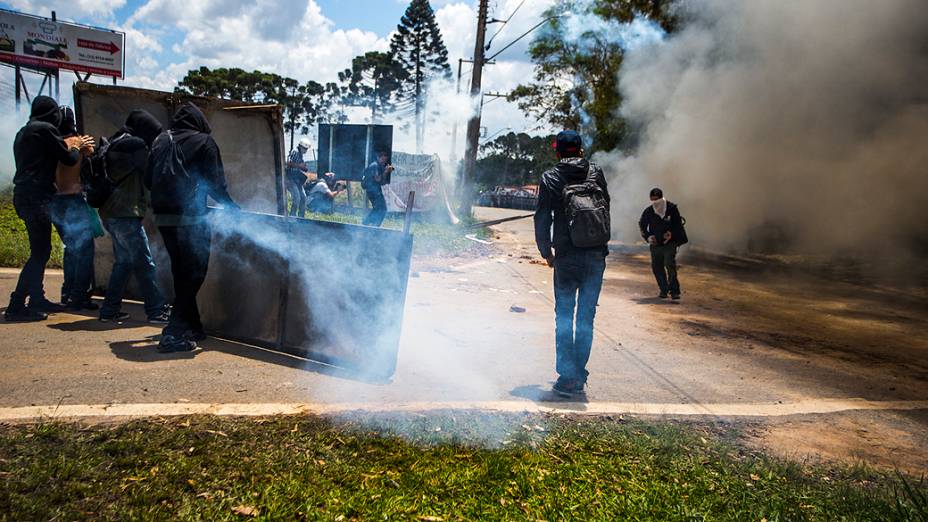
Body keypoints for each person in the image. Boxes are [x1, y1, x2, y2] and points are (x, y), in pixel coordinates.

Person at [146, 103, 239, 352]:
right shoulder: (204, 142)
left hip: (164, 218)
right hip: (192, 219)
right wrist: (232, 209)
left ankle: (193, 325)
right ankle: (174, 332)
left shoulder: (160, 140)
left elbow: (147, 179)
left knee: (182, 274)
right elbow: (215, 183)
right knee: (195, 273)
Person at [534, 130, 610, 398]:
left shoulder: (551, 177)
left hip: (566, 257)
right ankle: (579, 374)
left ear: (558, 151)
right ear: (580, 149)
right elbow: (605, 209)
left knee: (564, 316)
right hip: (595, 256)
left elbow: (542, 218)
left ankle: (567, 378)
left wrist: (546, 252)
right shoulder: (596, 172)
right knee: (586, 318)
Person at [5, 96, 94, 322]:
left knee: (40, 250)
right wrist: (75, 145)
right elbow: (68, 157)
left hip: (23, 196)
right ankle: (16, 305)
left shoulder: (23, 132)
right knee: (41, 252)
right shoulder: (44, 129)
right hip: (37, 198)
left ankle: (36, 298)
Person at [98, 110, 170, 324]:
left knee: (124, 262)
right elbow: (150, 175)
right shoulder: (135, 145)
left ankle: (109, 310)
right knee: (144, 262)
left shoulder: (114, 141)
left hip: (110, 212)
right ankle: (156, 310)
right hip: (126, 214)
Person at [49, 106, 98, 311]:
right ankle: (79, 296)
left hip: (55, 202)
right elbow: (91, 153)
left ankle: (67, 292)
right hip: (74, 200)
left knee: (71, 249)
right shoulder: (77, 143)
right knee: (85, 251)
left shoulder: (51, 143)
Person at [638, 187, 683, 300]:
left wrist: (671, 233)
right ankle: (663, 289)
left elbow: (678, 224)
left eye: (657, 200)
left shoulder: (672, 208)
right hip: (656, 244)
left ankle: (674, 291)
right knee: (656, 267)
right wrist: (648, 237)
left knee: (669, 264)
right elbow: (642, 224)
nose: (655, 203)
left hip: (670, 242)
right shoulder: (649, 211)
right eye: (652, 200)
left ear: (662, 198)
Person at [361, 150, 393, 227]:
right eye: (383, 159)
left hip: (376, 190)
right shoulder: (374, 165)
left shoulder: (380, 166)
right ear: (378, 158)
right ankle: (367, 223)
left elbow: (382, 182)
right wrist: (385, 171)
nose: (384, 162)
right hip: (372, 190)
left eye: (385, 160)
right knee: (381, 208)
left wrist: (386, 172)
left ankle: (373, 225)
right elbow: (377, 179)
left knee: (381, 208)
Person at [286, 138, 311, 217]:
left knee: (303, 198)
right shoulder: (295, 152)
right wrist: (299, 165)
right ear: (300, 146)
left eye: (306, 149)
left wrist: (303, 168)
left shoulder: (300, 155)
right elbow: (288, 162)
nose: (305, 150)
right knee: (297, 198)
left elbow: (300, 167)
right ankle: (292, 216)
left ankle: (301, 218)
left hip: (297, 180)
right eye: (304, 148)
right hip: (290, 179)